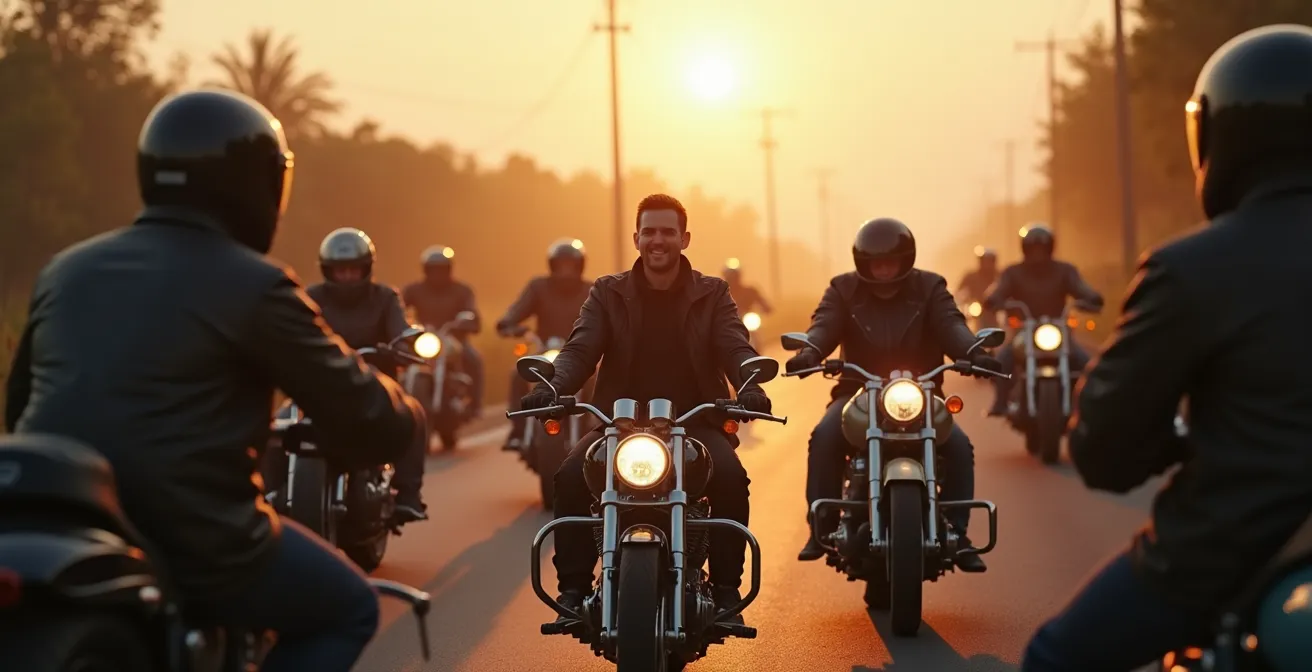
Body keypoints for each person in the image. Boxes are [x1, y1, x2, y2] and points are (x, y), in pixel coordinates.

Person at [3, 89, 424, 672]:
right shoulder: (256, 283)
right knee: (349, 606)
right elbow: (367, 416)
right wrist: (406, 414)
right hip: (193, 532)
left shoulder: (65, 268)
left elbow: (19, 403)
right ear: (259, 185)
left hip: (62, 514)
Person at [1021, 24, 1312, 671]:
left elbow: (1102, 450)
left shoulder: (1192, 268)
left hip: (1221, 555)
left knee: (1051, 659)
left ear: (1216, 137)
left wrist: (1177, 437)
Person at [519, 193, 774, 628]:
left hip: (694, 422)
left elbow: (734, 344)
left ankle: (728, 594)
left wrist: (749, 381)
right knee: (569, 476)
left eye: (668, 232)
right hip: (617, 425)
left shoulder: (713, 293)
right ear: (636, 238)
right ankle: (573, 590)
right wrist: (553, 385)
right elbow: (580, 349)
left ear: (684, 238)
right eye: (650, 231)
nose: (658, 240)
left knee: (731, 477)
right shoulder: (607, 291)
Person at [786, 218, 1001, 571]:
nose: (884, 270)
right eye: (876, 262)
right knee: (824, 435)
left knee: (959, 445)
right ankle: (820, 528)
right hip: (857, 391)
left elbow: (951, 323)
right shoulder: (843, 289)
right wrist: (810, 351)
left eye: (891, 262)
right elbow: (823, 324)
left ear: (906, 260)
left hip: (921, 391)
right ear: (863, 262)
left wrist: (973, 351)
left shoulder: (930, 287)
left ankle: (960, 535)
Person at [305, 227, 428, 523]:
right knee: (280, 424)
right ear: (327, 270)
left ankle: (408, 495)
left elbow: (400, 329)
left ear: (367, 268)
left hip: (375, 387)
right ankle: (266, 495)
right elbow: (294, 329)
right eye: (340, 270)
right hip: (320, 388)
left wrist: (400, 346)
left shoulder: (385, 297)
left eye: (353, 269)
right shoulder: (310, 297)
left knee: (415, 414)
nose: (347, 277)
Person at [983, 224, 1104, 416]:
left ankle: (1089, 406)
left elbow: (1080, 287)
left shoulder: (1065, 271)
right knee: (1001, 361)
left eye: (1042, 249)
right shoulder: (1012, 272)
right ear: (1025, 249)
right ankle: (1001, 402)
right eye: (1033, 249)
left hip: (1059, 331)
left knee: (1088, 365)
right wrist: (993, 299)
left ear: (1050, 248)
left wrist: (1092, 298)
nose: (1037, 254)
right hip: (1024, 332)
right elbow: (998, 290)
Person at [495, 238, 592, 452]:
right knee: (517, 374)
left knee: (598, 378)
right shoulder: (538, 287)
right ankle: (518, 431)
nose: (565, 271)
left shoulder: (591, 290)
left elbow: (607, 317)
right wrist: (508, 323)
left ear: (580, 266)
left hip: (582, 356)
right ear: (552, 266)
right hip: (543, 353)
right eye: (561, 265)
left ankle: (596, 429)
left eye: (570, 265)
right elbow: (517, 310)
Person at [401, 245, 484, 417]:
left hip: (454, 340)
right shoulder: (414, 290)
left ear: (449, 270)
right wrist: (403, 324)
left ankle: (474, 405)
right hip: (424, 339)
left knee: (474, 360)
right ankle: (398, 403)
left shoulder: (462, 290)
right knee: (398, 358)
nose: (437, 275)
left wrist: (466, 323)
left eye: (441, 270)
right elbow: (398, 309)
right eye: (433, 270)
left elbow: (473, 315)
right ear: (425, 270)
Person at [956, 247, 999, 328]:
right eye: (984, 260)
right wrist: (963, 302)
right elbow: (960, 293)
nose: (987, 264)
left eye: (990, 260)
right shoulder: (971, 277)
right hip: (976, 310)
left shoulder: (1000, 276)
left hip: (995, 310)